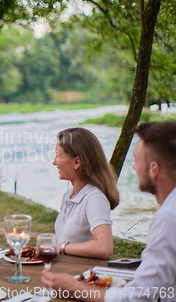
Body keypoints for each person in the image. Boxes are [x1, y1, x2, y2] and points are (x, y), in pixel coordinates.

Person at [42, 121, 176, 302]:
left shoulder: (168, 216)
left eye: (137, 160)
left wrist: (76, 287)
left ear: (154, 168)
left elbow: (140, 296)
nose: (133, 168)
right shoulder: (68, 195)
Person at [53, 127, 119, 259]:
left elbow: (104, 248)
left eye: (58, 155)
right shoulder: (68, 195)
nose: (54, 162)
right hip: (65, 271)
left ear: (76, 162)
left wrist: (61, 247)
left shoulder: (94, 198)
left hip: (82, 275)